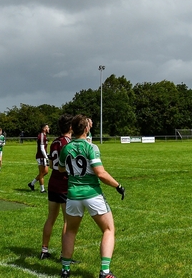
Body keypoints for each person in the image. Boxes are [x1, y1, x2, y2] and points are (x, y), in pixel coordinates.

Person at [59, 114, 125, 278]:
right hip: (92, 194)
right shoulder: (91, 147)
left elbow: (60, 169)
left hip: (73, 195)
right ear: (87, 128)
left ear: (72, 129)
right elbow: (100, 173)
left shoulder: (65, 148)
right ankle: (105, 271)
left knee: (70, 232)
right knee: (108, 229)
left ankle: (65, 270)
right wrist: (118, 185)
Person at [40, 114, 74, 260]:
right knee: (67, 221)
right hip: (64, 183)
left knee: (51, 218)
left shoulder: (55, 141)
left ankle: (44, 250)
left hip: (53, 181)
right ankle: (64, 255)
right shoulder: (69, 143)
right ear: (71, 127)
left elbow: (52, 163)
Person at [28, 123, 50, 192]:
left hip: (43, 156)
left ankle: (32, 183)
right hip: (41, 156)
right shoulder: (42, 136)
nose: (48, 128)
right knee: (41, 172)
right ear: (44, 129)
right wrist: (46, 157)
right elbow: (42, 148)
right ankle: (42, 189)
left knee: (45, 172)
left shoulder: (44, 136)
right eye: (47, 127)